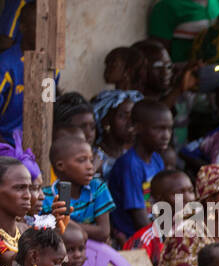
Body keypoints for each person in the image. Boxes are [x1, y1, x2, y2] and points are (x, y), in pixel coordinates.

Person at [106, 100, 171, 241]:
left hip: (151, 230)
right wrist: (160, 243)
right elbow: (139, 219)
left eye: (168, 129)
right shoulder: (130, 165)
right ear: (137, 128)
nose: (166, 135)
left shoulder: (157, 159)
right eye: (158, 129)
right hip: (133, 238)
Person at [42, 135, 113, 243]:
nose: (90, 166)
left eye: (91, 160)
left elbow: (103, 232)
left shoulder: (97, 188)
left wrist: (64, 224)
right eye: (81, 160)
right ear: (61, 166)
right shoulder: (45, 197)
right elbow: (43, 233)